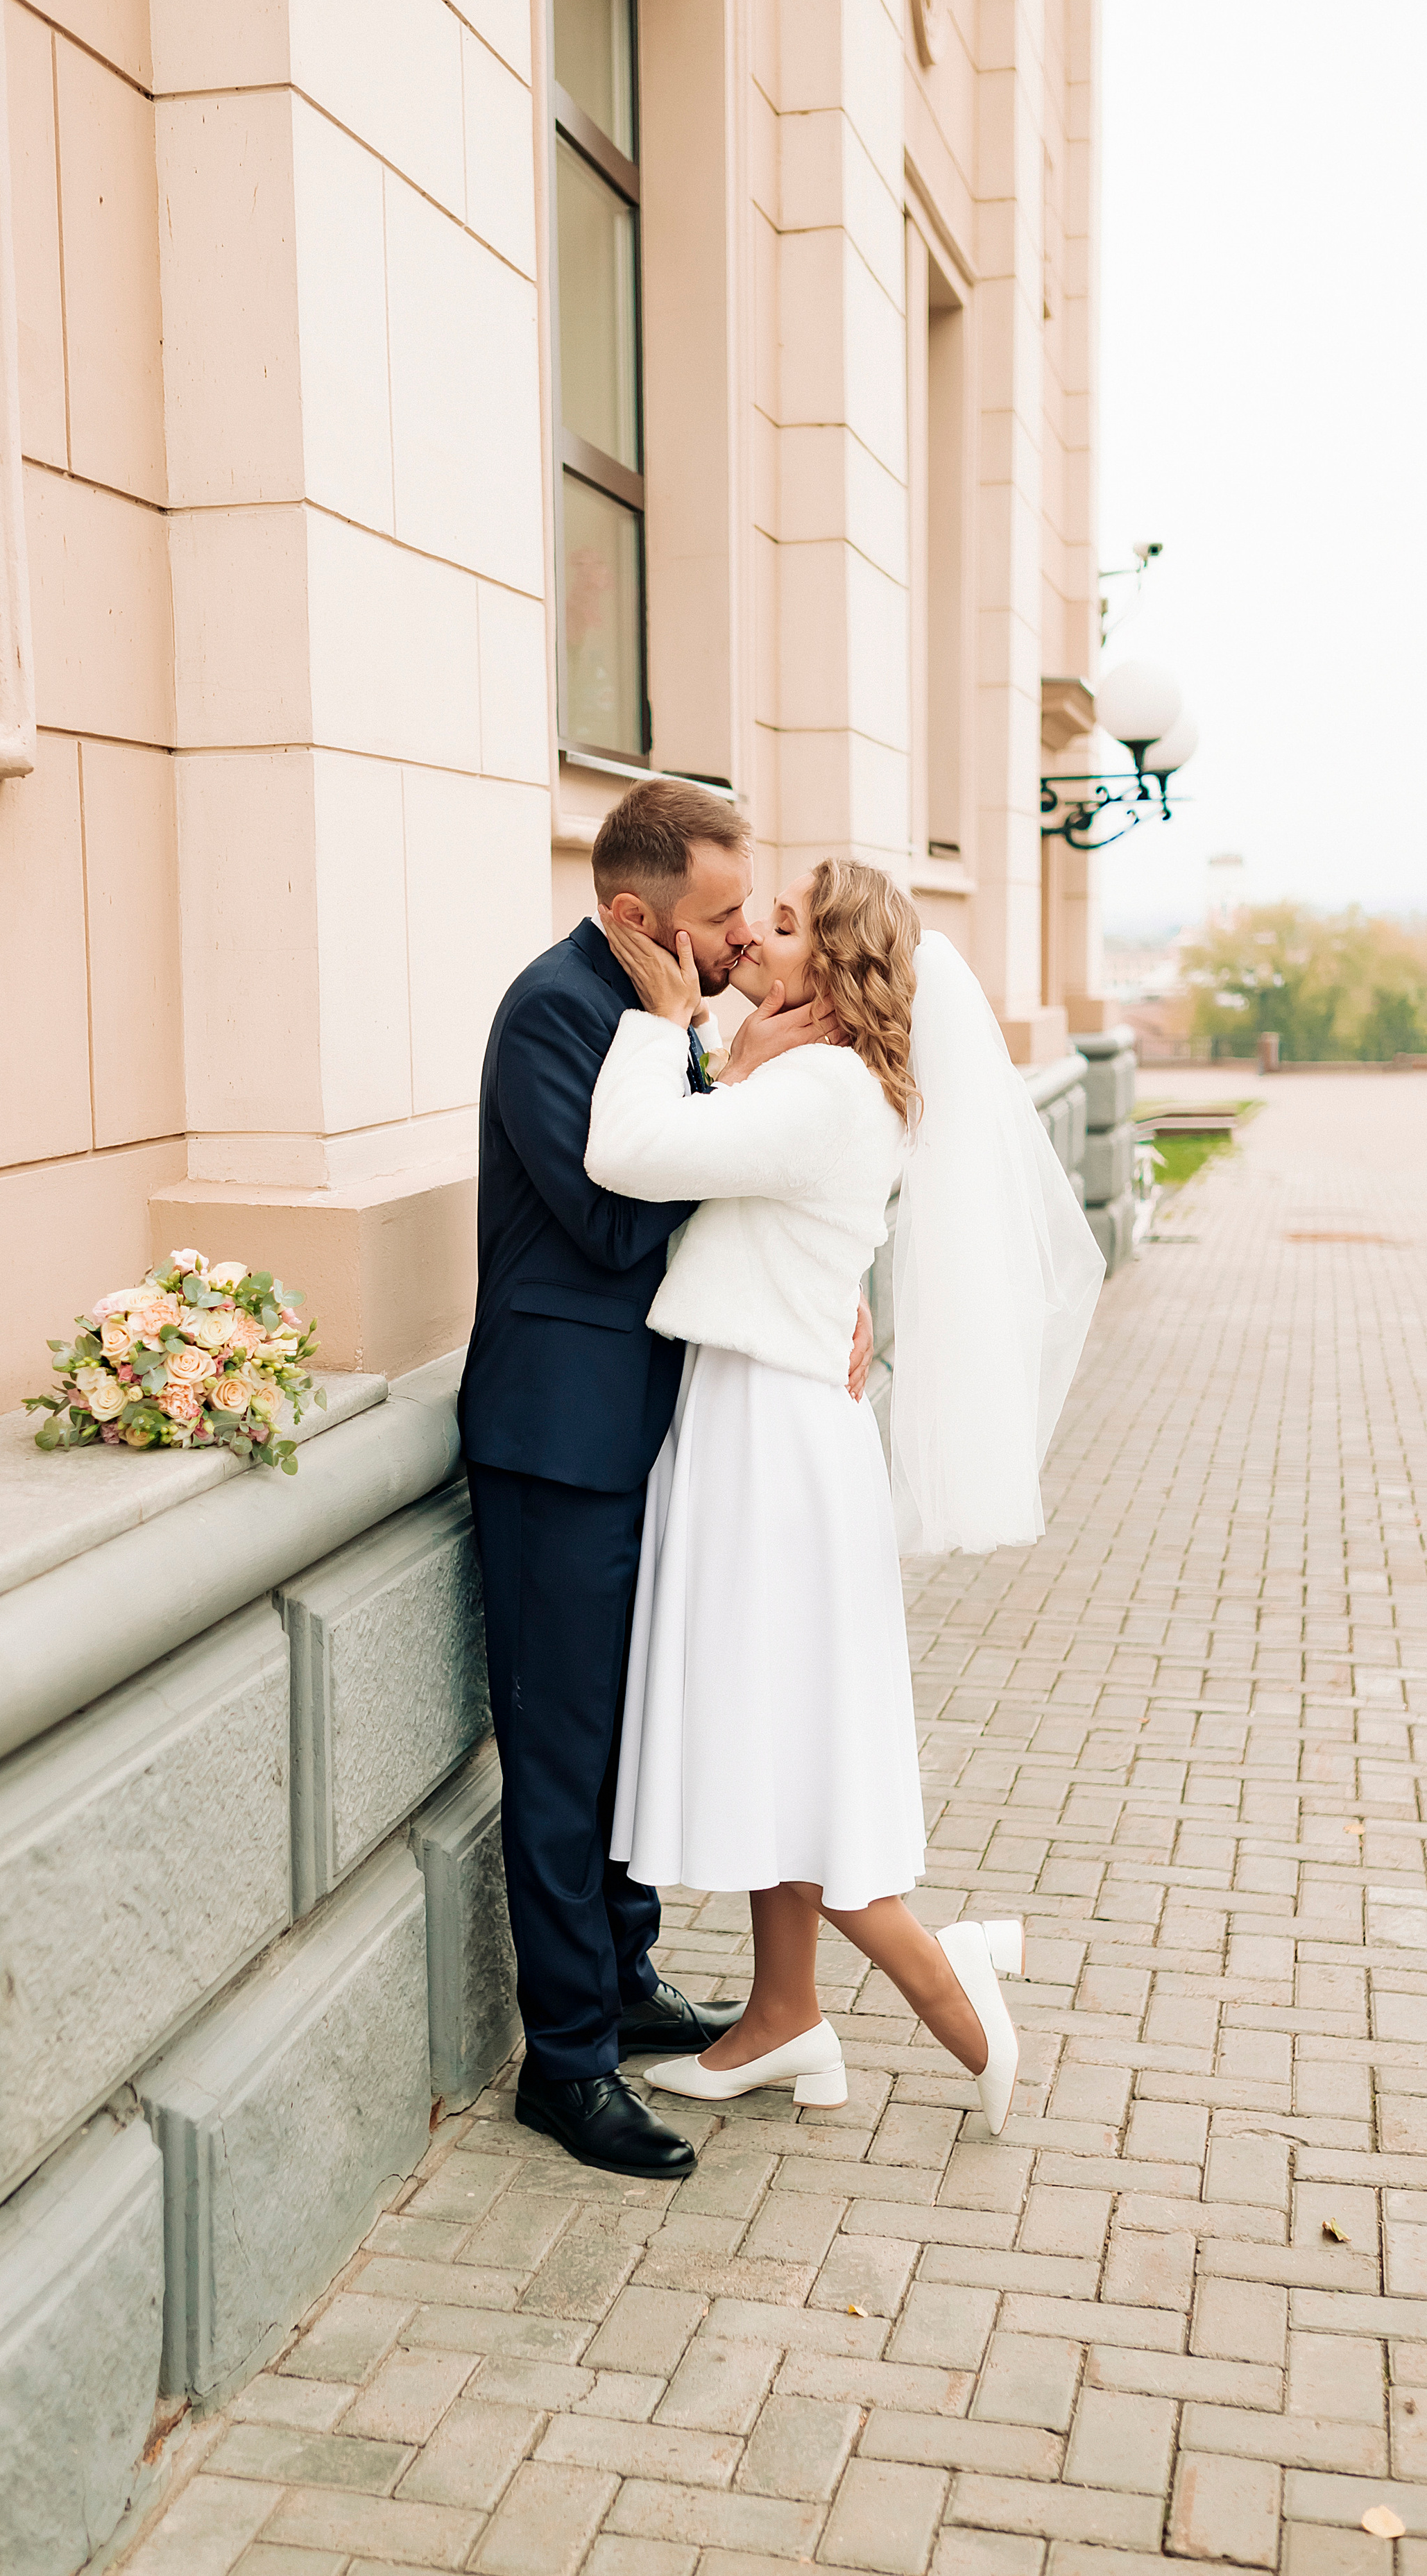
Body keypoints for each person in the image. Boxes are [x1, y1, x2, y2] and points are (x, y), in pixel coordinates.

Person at [583, 858, 1104, 2133]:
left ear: (837, 965)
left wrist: (670, 1025)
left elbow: (630, 1150)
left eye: (784, 923)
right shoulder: (828, 1077)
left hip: (770, 1440)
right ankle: (784, 2017)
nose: (752, 934)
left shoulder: (819, 1087)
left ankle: (946, 1982)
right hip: (766, 1418)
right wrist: (737, 1062)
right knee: (782, 1729)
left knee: (792, 1739)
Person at [458, 781, 874, 2179]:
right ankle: (567, 2062)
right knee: (563, 1755)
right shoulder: (554, 1012)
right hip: (557, 1439)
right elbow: (608, 1218)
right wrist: (734, 1089)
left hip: (656, 1427)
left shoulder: (680, 1007)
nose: (743, 937)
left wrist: (823, 1277)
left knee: (625, 1733)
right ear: (636, 917)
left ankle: (625, 1981)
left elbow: (730, 1196)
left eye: (753, 910)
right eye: (719, 916)